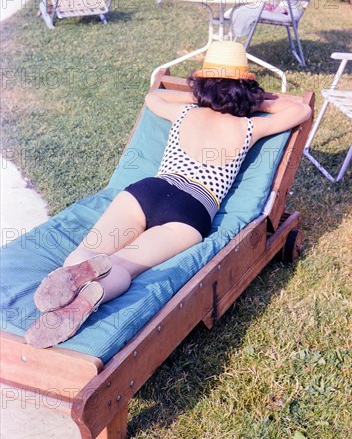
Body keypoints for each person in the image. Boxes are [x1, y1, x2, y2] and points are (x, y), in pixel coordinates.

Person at [25, 41, 312, 348]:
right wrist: (255, 100)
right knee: (124, 265)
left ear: (203, 85)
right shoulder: (248, 127)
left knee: (88, 249)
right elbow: (301, 109)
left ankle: (80, 266)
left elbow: (154, 95)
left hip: (149, 191)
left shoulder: (185, 112)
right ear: (245, 89)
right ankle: (94, 295)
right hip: (192, 209)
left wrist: (204, 95)